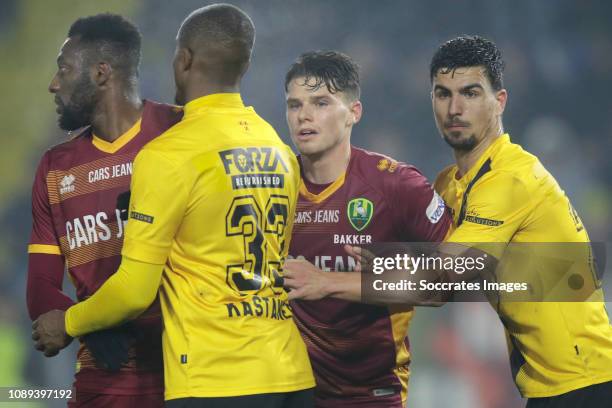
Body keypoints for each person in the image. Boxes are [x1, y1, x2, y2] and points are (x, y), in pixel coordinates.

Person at [286, 35, 612, 407]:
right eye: (443, 94)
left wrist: (327, 280)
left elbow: (441, 277)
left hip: (587, 382)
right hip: (551, 383)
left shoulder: (510, 180)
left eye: (471, 93)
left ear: (500, 101)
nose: (455, 108)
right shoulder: (449, 186)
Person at [32, 4, 315, 408]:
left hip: (216, 379)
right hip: (290, 373)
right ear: (245, 63)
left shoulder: (169, 153)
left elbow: (133, 290)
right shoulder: (278, 148)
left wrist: (70, 322)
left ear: (183, 60)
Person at [27, 13, 181, 407]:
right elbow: (41, 288)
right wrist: (96, 331)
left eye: (64, 69)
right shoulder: (56, 166)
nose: (53, 84)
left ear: (100, 73)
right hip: (102, 384)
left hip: (186, 379)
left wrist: (82, 322)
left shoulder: (180, 132)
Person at [283, 51, 451, 407]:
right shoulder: (274, 186)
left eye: (321, 102)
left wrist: (330, 282)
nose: (304, 116)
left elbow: (455, 280)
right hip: (289, 391)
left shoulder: (396, 186)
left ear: (354, 113)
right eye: (294, 105)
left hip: (371, 396)